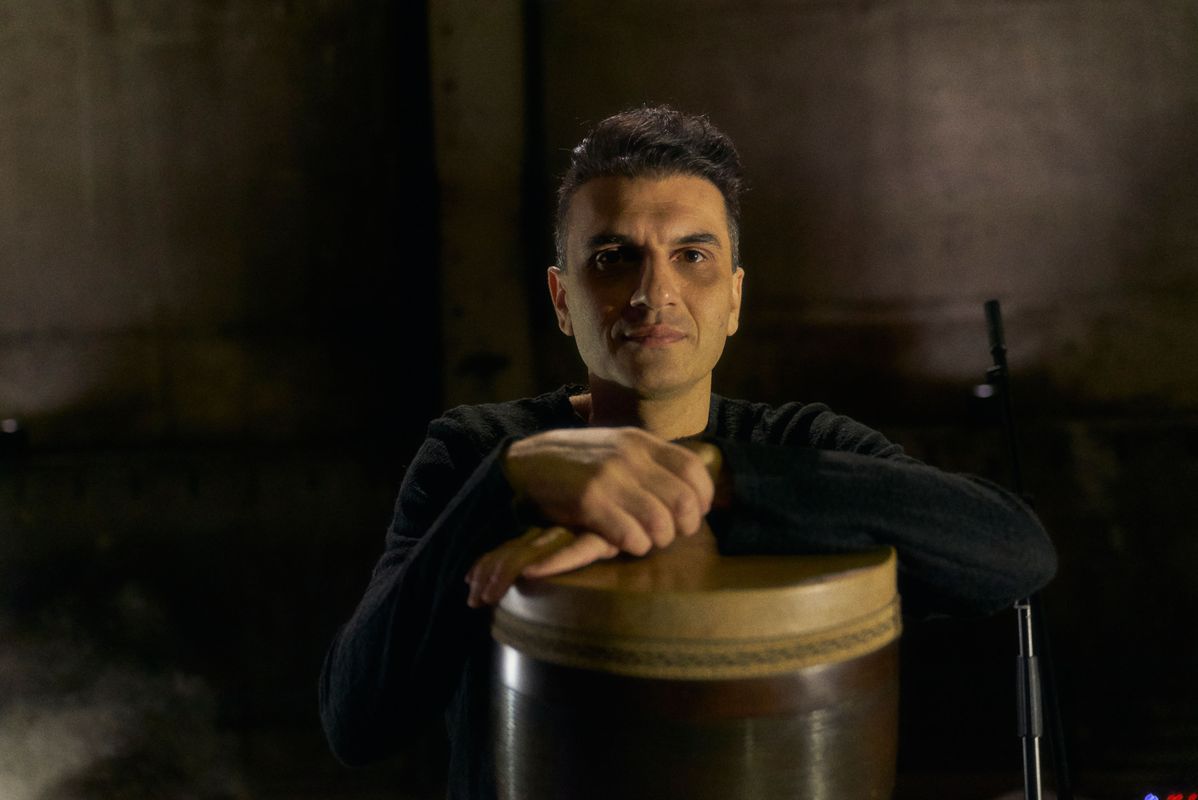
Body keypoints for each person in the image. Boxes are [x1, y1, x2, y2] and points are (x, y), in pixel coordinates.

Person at [318, 105, 1056, 798]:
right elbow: (356, 719)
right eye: (613, 257)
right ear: (562, 299)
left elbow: (1016, 549)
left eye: (692, 255)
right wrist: (507, 482)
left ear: (734, 297)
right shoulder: (478, 451)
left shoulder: (800, 445)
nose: (654, 292)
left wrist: (716, 477)